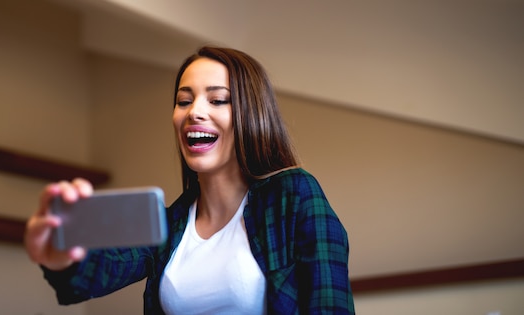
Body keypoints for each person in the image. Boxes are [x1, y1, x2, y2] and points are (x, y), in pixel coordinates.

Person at [25, 46, 355, 314]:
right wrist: (59, 255)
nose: (193, 112)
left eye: (217, 99)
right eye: (184, 101)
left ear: (252, 114)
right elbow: (89, 277)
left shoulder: (294, 195)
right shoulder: (170, 225)